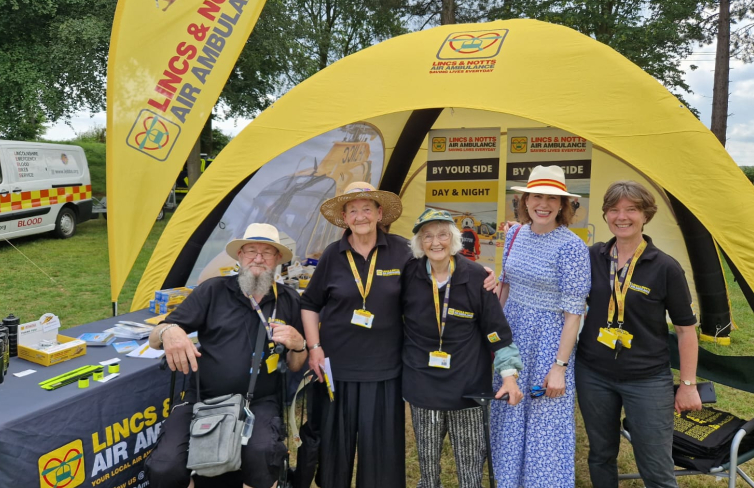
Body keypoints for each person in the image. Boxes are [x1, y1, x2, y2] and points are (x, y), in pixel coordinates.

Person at [300, 182, 497, 488]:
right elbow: (310, 304)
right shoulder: (332, 255)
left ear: (379, 213)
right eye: (353, 210)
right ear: (345, 216)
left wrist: (481, 271)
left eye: (367, 208)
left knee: (381, 456)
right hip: (338, 367)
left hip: (386, 369)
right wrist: (314, 346)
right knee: (335, 453)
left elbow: (441, 263)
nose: (361, 216)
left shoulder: (403, 252)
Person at [146, 223, 307, 488]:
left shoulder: (288, 299)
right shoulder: (212, 290)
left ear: (277, 259)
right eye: (251, 251)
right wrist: (169, 331)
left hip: (259, 402)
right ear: (240, 256)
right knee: (165, 466)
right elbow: (155, 338)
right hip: (203, 399)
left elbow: (295, 364)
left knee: (263, 455)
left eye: (267, 252)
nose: (258, 258)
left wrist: (299, 345)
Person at [575, 181, 701, 488]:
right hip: (593, 373)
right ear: (605, 214)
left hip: (646, 378)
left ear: (646, 215)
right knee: (601, 454)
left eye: (632, 209)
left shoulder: (665, 267)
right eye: (614, 209)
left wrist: (687, 385)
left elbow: (685, 332)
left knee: (655, 465)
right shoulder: (592, 257)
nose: (622, 217)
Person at [402, 208, 523, 488]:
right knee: (428, 469)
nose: (435, 242)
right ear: (419, 243)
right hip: (422, 384)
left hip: (468, 387)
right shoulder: (408, 273)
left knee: (470, 470)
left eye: (442, 234)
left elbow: (497, 333)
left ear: (454, 239)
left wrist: (508, 375)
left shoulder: (476, 275)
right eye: (427, 236)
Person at [490, 164, 591, 488]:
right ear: (525, 200)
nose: (543, 204)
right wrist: (494, 341)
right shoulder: (515, 233)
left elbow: (574, 314)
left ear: (563, 205)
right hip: (512, 336)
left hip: (550, 342)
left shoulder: (572, 247)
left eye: (552, 198)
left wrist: (560, 366)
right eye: (537, 196)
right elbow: (505, 287)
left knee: (545, 426)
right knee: (508, 414)